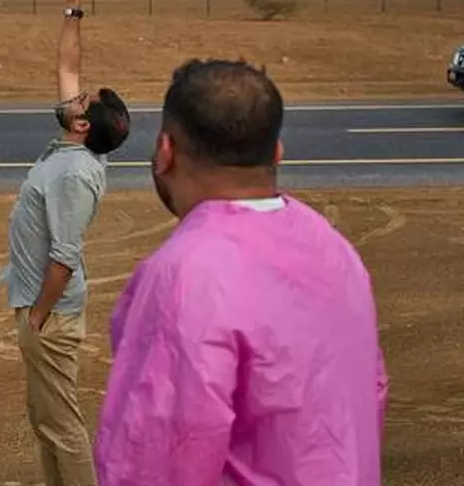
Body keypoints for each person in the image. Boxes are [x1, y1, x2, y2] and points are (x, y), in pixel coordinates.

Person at [94, 59, 388, 485]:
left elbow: (155, 458)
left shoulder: (185, 276)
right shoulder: (336, 251)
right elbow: (368, 396)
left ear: (165, 151)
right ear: (277, 152)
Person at [0, 0, 130, 486]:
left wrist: (37, 319)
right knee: (46, 421)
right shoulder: (74, 145)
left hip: (48, 316)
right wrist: (74, 4)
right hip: (39, 309)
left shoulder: (75, 173)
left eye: (81, 99)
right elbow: (68, 67)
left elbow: (65, 257)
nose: (73, 92)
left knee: (63, 426)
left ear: (81, 124)